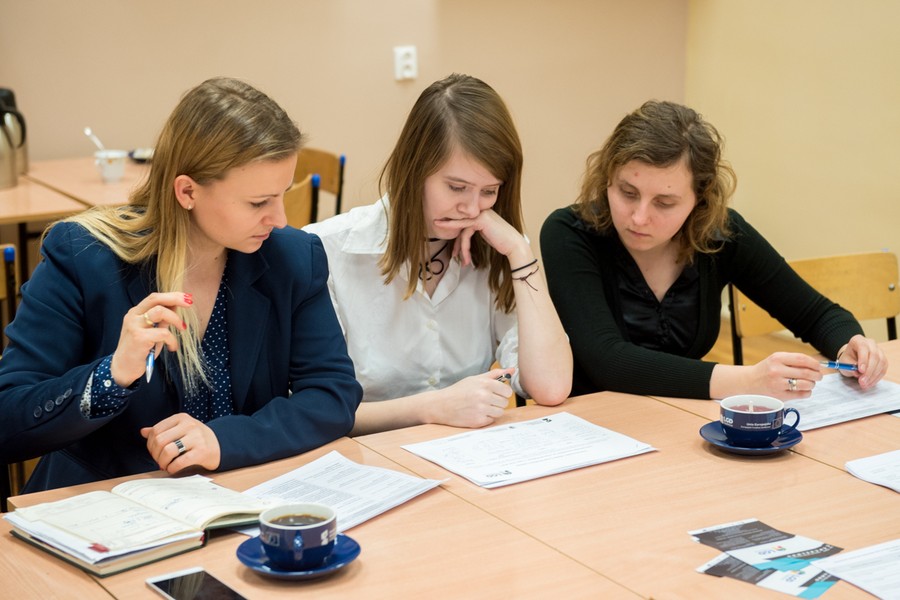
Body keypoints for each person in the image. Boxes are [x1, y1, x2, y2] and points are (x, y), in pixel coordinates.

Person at [0, 77, 362, 492]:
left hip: (240, 498)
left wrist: (225, 440)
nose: (279, 219)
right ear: (187, 191)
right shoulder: (83, 258)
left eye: (282, 194)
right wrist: (112, 375)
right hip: (108, 506)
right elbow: (8, 417)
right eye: (259, 202)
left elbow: (333, 396)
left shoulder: (292, 258)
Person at [540, 100, 887, 400]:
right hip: (593, 424)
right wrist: (748, 380)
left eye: (665, 202)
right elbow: (608, 362)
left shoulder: (722, 234)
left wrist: (850, 344)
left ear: (699, 201)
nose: (639, 217)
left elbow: (816, 314)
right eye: (627, 192)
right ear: (607, 180)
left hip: (681, 418)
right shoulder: (569, 234)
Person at [304, 73, 572, 435]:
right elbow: (317, 413)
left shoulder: (499, 246)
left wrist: (521, 252)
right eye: (457, 187)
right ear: (413, 170)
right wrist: (434, 408)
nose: (472, 208)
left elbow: (551, 387)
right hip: (368, 463)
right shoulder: (327, 251)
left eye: (489, 191)